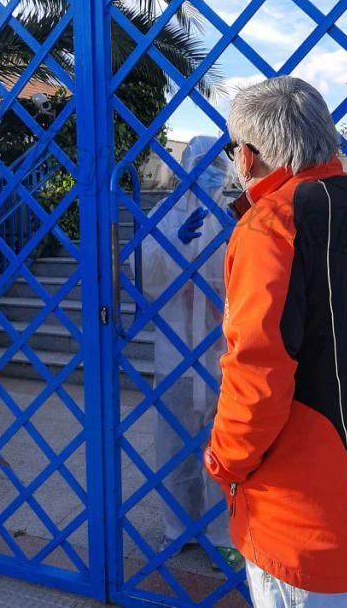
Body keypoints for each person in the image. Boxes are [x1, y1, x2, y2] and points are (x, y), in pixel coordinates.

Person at [204, 76, 347, 607]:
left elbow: (256, 376)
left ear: (247, 156)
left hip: (301, 520)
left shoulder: (271, 225)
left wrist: (224, 463)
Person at [142, 135, 241, 568]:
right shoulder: (163, 216)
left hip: (222, 353)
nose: (209, 176)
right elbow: (141, 270)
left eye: (215, 168)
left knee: (222, 449)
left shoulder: (235, 217)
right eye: (201, 167)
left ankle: (223, 533)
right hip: (176, 353)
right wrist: (172, 246)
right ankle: (177, 527)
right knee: (175, 446)